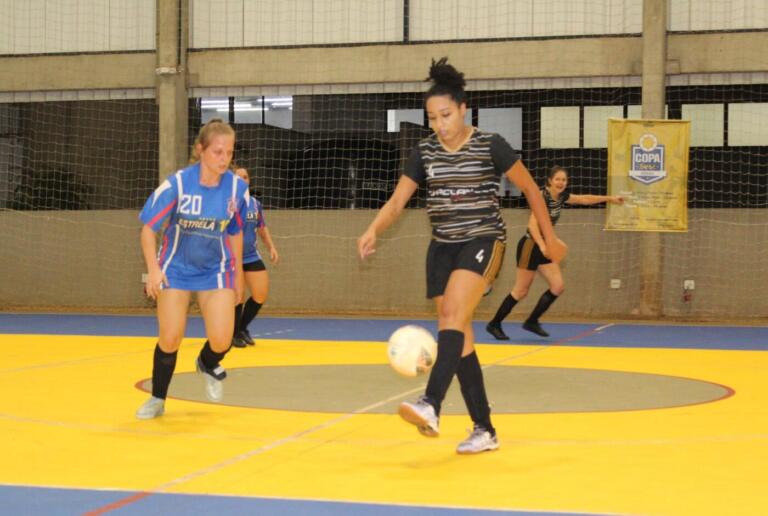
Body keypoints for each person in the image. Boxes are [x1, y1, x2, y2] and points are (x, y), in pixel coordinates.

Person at [357, 57, 567, 454]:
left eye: (446, 115)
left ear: (462, 109)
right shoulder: (424, 151)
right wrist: (373, 229)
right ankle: (484, 429)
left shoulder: (491, 145)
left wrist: (549, 239)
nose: (440, 124)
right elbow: (398, 201)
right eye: (433, 118)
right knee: (461, 336)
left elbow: (532, 191)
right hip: (442, 247)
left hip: (484, 240)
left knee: (453, 315)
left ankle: (431, 403)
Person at [135, 118, 249, 419]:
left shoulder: (237, 189)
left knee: (223, 339)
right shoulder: (178, 185)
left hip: (216, 270)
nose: (224, 159)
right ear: (201, 150)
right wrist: (154, 270)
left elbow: (236, 230)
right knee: (171, 338)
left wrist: (238, 275)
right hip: (177, 270)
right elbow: (148, 230)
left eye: (229, 152)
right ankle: (158, 398)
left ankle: (207, 362)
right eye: (217, 152)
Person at [486, 165, 624, 340]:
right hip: (530, 244)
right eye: (558, 179)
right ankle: (494, 324)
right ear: (550, 181)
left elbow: (584, 199)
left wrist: (610, 198)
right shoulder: (541, 197)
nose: (561, 182)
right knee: (521, 291)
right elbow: (532, 225)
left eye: (564, 180)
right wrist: (542, 246)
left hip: (547, 245)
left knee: (558, 286)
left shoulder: (561, 197)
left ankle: (532, 321)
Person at [231, 167, 279, 347]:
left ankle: (241, 328)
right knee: (238, 295)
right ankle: (233, 334)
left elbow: (261, 228)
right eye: (238, 177)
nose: (242, 180)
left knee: (260, 294)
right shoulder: (226, 203)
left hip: (251, 255)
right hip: (231, 258)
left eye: (245, 177)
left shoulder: (255, 204)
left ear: (249, 181)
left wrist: (271, 247)